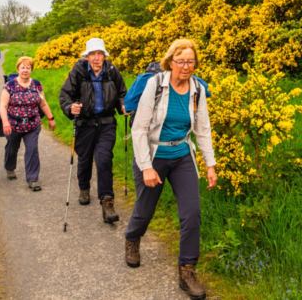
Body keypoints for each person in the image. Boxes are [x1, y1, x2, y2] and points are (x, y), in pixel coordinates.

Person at [124, 39, 217, 300]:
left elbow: (203, 129)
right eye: (181, 61)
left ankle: (187, 271)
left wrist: (210, 164)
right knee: (145, 210)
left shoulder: (197, 88)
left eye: (191, 61)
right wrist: (146, 167)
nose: (186, 66)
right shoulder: (155, 85)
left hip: (182, 155)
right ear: (170, 62)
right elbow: (139, 129)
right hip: (153, 155)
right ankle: (132, 238)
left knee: (192, 214)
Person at [59, 38, 128, 223]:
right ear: (87, 56)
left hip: (106, 122)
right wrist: (70, 107)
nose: (97, 58)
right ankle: (84, 187)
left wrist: (123, 106)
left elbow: (123, 93)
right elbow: (65, 94)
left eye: (100, 54)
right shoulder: (79, 71)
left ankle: (107, 202)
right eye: (93, 54)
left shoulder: (112, 71)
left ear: (104, 55)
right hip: (84, 123)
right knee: (85, 158)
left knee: (104, 159)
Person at [0, 56, 56, 191]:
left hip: (32, 125)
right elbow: (3, 105)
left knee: (32, 150)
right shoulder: (10, 86)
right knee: (12, 147)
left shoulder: (37, 85)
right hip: (14, 125)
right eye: (22, 67)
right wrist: (5, 122)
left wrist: (50, 118)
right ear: (18, 69)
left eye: (28, 68)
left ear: (31, 69)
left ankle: (32, 179)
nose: (25, 70)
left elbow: (43, 103)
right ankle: (10, 167)